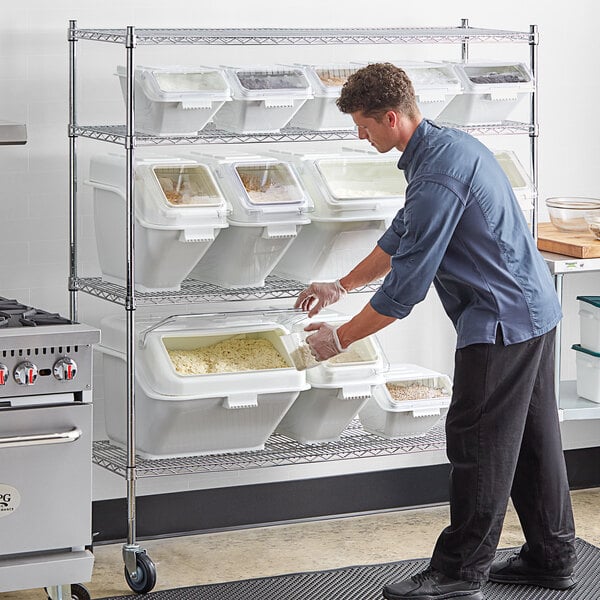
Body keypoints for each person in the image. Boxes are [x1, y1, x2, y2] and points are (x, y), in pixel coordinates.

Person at [294, 62, 577, 600]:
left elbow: (405, 290)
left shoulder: (437, 174)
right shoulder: (445, 148)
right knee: (535, 443)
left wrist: (340, 338)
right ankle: (552, 556)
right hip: (533, 310)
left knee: (478, 443)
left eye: (363, 124)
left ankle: (458, 573)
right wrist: (342, 284)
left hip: (500, 321)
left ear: (392, 117)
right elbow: (404, 232)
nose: (360, 134)